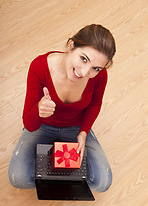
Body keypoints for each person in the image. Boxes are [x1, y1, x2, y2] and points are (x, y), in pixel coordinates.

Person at [8, 24, 116, 192]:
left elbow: (95, 104)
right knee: (19, 179)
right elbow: (30, 125)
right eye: (84, 59)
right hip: (43, 124)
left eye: (96, 68)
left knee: (102, 183)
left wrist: (83, 132)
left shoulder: (100, 75)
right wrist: (39, 109)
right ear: (71, 46)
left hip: (75, 127)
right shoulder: (39, 66)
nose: (85, 72)